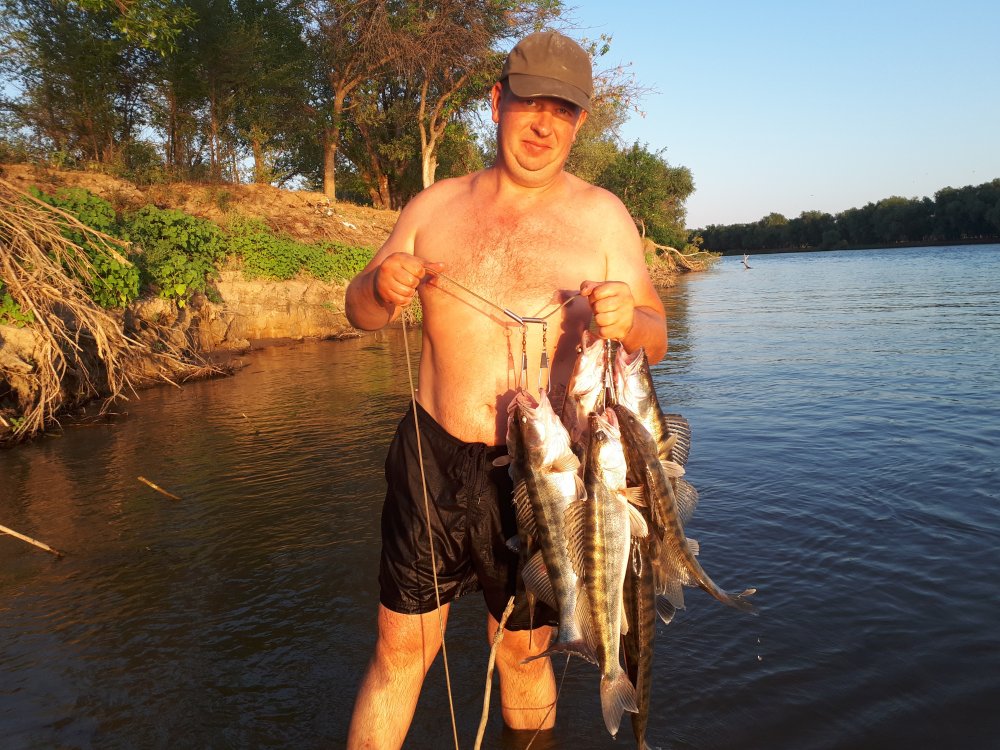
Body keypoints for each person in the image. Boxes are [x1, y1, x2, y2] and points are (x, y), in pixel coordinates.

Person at [344, 30, 668, 749]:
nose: (544, 124)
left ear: (580, 121)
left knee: (523, 651)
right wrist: (380, 286)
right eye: (530, 104)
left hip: (548, 475)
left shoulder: (605, 216)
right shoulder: (431, 207)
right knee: (401, 651)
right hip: (433, 460)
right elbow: (359, 311)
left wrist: (630, 320)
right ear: (497, 103)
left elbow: (656, 335)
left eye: (563, 110)